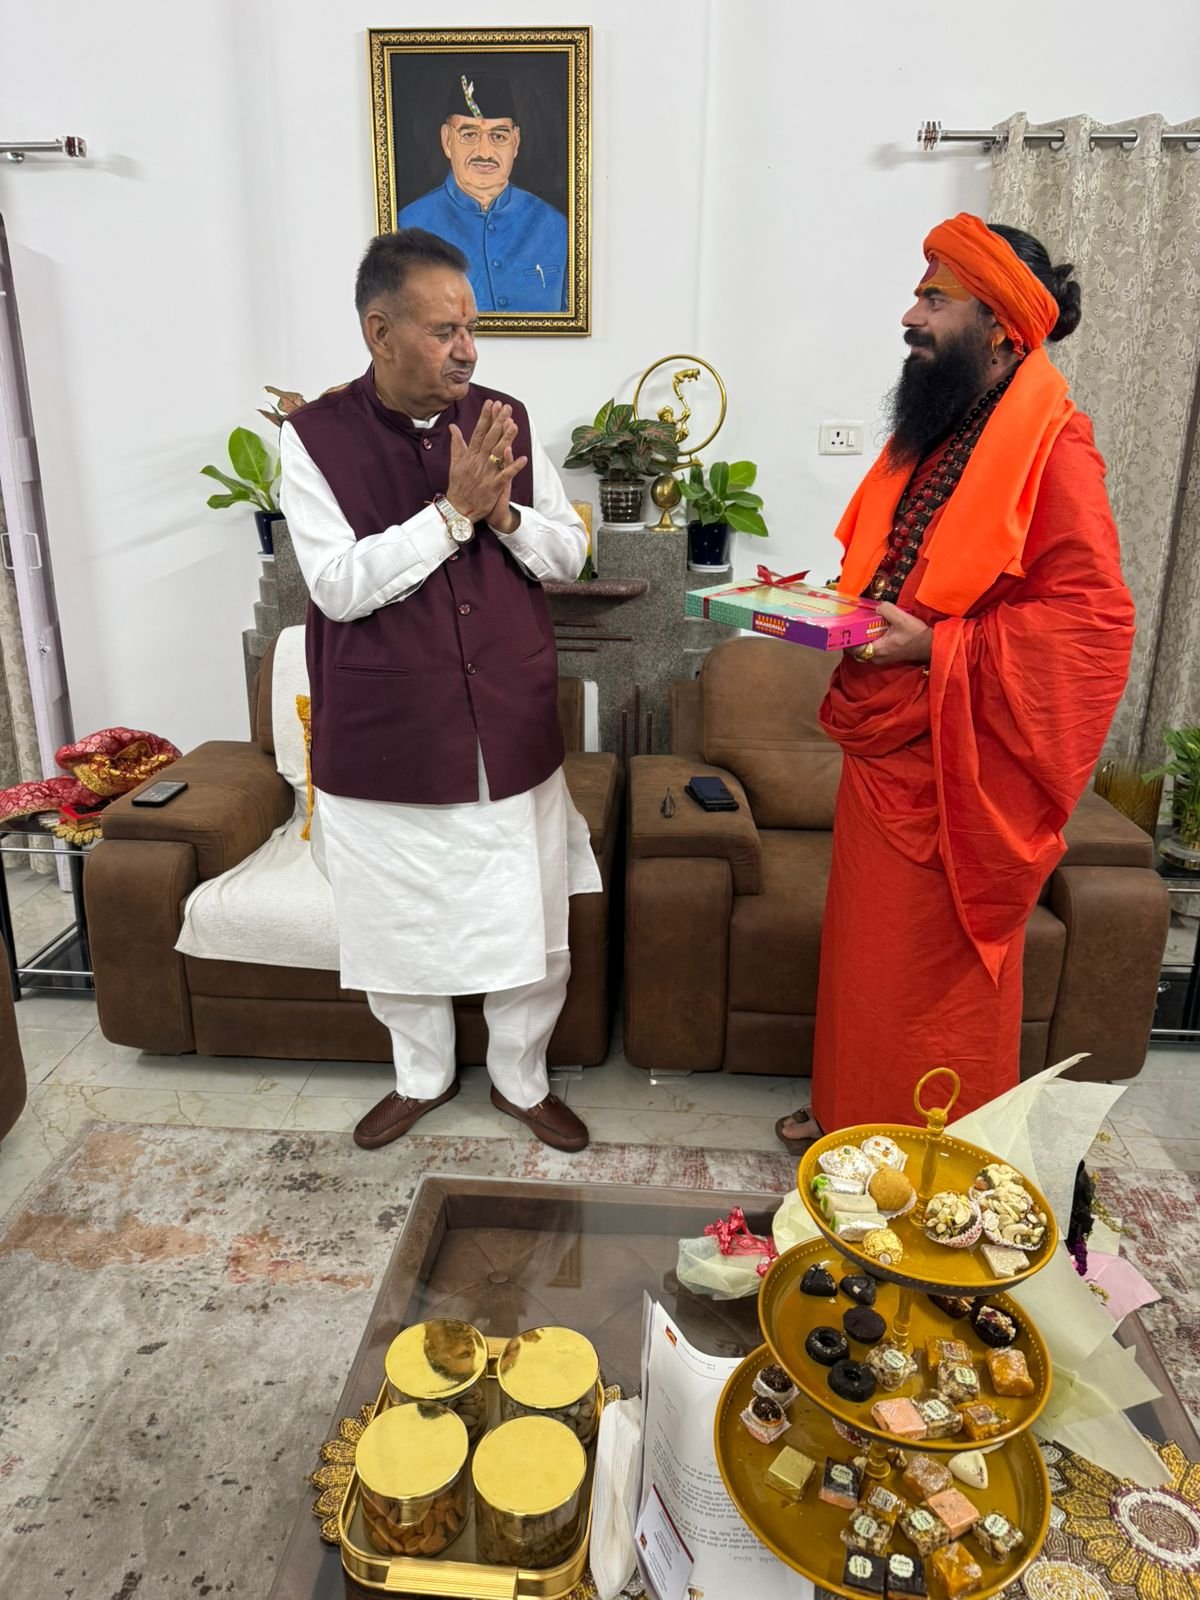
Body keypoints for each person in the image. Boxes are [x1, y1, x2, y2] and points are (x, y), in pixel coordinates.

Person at [775, 213, 1134, 1152]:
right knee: (864, 963)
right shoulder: (938, 429)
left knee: (926, 980)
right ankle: (847, 1118)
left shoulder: (1055, 447)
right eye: (919, 296)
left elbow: (1093, 628)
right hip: (886, 748)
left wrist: (938, 651)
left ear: (1002, 328)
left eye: (935, 300)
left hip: (960, 768)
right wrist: (833, 610)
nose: (912, 316)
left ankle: (923, 1152)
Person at [278, 227, 598, 1153]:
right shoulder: (314, 439)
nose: (467, 351)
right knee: (397, 929)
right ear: (379, 332)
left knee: (529, 922)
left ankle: (521, 1081)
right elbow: (338, 586)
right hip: (388, 735)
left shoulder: (505, 417)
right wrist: (450, 514)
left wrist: (502, 512)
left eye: (471, 328)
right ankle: (420, 1077)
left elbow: (567, 556)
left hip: (507, 726)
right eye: (442, 330)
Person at [396, 71, 568, 314]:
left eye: (498, 136)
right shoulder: (406, 229)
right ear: (447, 140)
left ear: (515, 142)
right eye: (469, 135)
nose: (485, 152)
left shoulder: (556, 228)